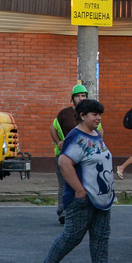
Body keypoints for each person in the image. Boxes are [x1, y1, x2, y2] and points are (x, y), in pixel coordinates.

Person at [37, 98, 121, 263]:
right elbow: (64, 163)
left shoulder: (95, 134)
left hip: (101, 197)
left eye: (100, 114)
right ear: (82, 116)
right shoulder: (76, 137)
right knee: (72, 236)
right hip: (83, 198)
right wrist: (79, 190)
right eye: (94, 114)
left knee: (101, 236)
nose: (98, 118)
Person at [50, 85, 90, 225]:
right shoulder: (64, 113)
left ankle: (80, 211)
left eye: (83, 96)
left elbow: (99, 131)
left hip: (83, 156)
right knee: (64, 184)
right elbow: (53, 128)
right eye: (78, 96)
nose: (80, 98)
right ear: (72, 98)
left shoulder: (89, 114)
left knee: (83, 183)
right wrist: (58, 142)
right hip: (64, 155)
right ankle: (63, 212)